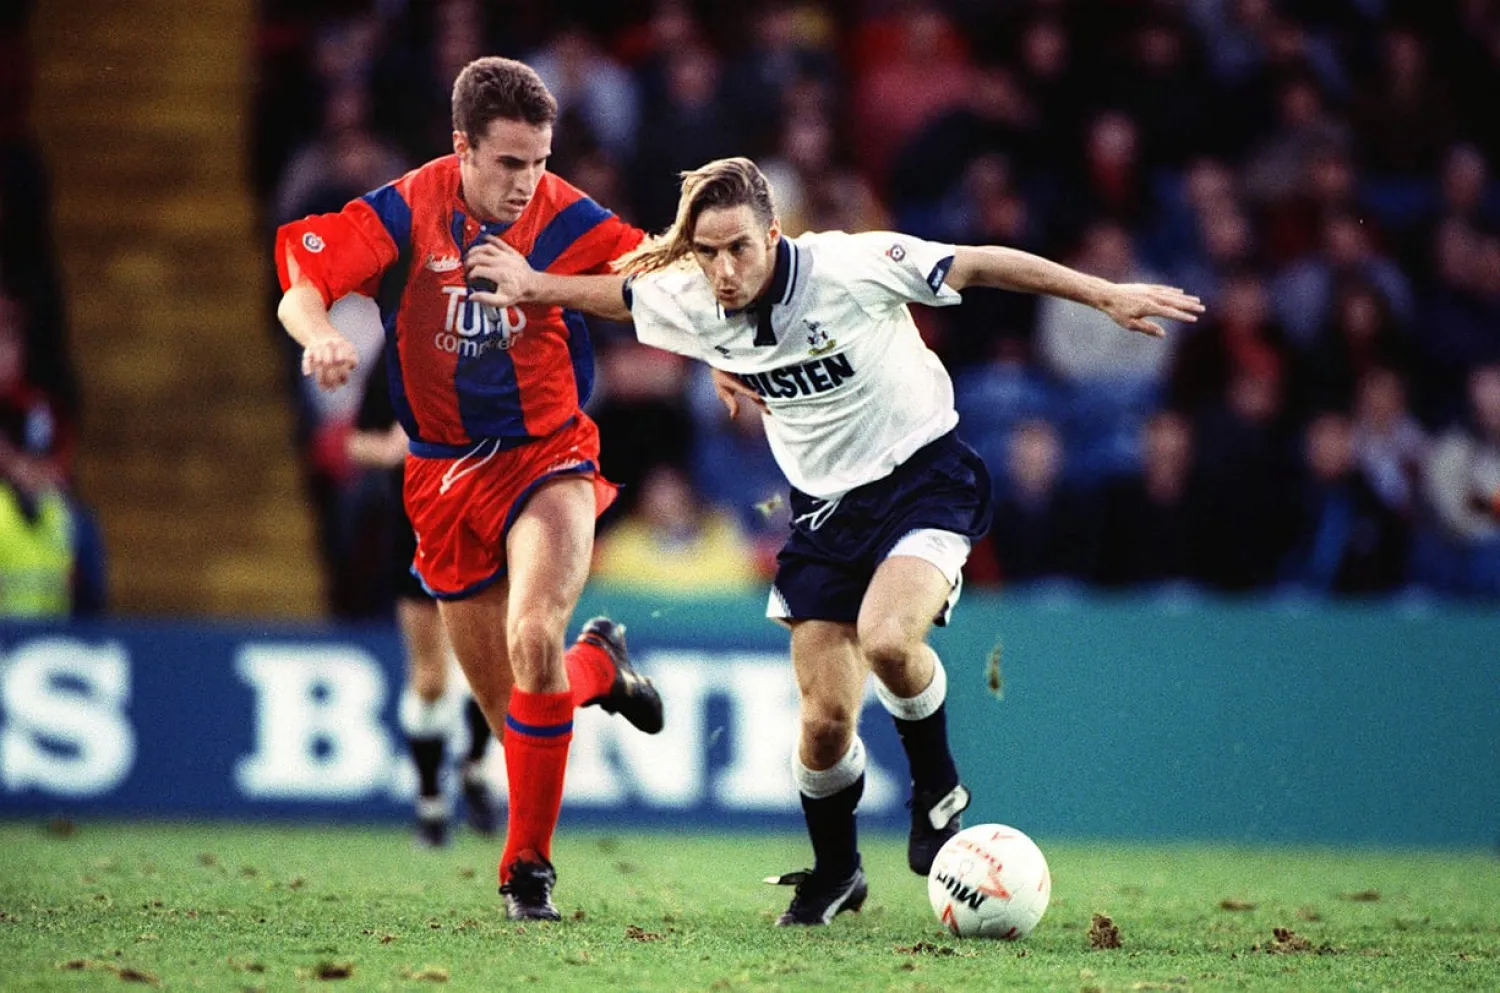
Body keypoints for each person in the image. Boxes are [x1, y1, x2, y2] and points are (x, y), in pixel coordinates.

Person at [464, 157, 1203, 926]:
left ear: (775, 234)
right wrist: (534, 284)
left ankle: (937, 784)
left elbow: (980, 263)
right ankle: (837, 871)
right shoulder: (693, 296)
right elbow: (618, 296)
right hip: (823, 512)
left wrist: (1103, 292)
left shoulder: (850, 265)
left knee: (888, 637)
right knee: (822, 720)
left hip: (923, 477)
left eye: (738, 249)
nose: (722, 268)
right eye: (707, 251)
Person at [274, 56, 664, 921]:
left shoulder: (565, 214)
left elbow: (653, 281)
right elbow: (304, 286)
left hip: (548, 455)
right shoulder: (405, 210)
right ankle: (600, 665)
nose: (529, 181)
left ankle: (526, 871)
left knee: (531, 633)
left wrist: (726, 361)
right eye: (510, 162)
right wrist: (317, 338)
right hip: (441, 475)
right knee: (516, 701)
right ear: (463, 148)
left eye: (540, 159)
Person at [348, 351, 498, 847]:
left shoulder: (501, 341)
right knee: (431, 678)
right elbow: (357, 442)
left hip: (484, 520)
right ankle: (431, 800)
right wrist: (394, 448)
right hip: (417, 526)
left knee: (490, 668)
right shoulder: (398, 352)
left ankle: (474, 766)